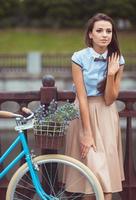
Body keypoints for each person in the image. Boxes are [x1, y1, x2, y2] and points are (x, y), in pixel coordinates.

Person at [64, 13, 125, 200]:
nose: (105, 35)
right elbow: (81, 97)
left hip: (106, 115)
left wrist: (111, 74)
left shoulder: (117, 59)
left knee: (105, 181)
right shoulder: (79, 58)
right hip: (84, 114)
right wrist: (86, 132)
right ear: (90, 34)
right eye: (99, 31)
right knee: (89, 178)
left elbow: (109, 99)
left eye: (109, 31)